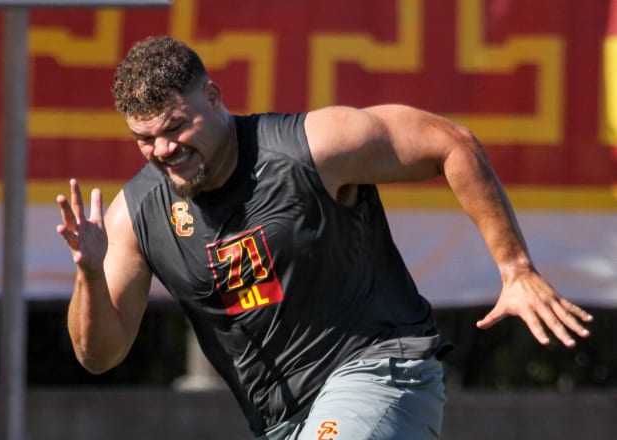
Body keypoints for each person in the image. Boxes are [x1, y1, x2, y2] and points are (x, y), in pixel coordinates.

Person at [56, 35, 593, 439]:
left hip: (380, 370)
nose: (163, 150)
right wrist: (88, 273)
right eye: (144, 140)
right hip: (282, 421)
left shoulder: (310, 146)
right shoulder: (135, 214)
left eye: (175, 127)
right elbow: (99, 355)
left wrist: (516, 269)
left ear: (214, 96)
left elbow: (450, 143)